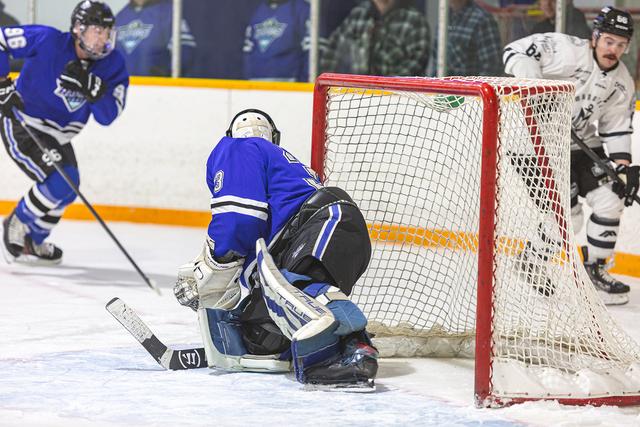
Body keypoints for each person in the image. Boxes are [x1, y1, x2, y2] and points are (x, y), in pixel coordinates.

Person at [172, 109, 378, 389]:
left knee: (297, 288)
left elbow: (238, 220)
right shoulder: (282, 168)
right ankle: (333, 348)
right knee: (261, 334)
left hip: (322, 223)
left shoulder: (238, 148)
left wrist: (215, 263)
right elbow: (258, 235)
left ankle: (354, 348)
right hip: (331, 228)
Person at [503, 6, 637, 305]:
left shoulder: (622, 81)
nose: (613, 50)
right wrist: (535, 87)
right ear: (595, 37)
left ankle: (596, 270)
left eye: (620, 44)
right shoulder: (566, 50)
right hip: (533, 145)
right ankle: (531, 260)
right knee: (567, 218)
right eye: (609, 41)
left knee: (611, 198)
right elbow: (514, 51)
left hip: (579, 144)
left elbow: (616, 127)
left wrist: (623, 167)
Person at [0, 0, 129, 265]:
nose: (103, 38)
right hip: (24, 123)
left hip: (59, 136)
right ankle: (17, 221)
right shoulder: (48, 40)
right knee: (62, 182)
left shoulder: (113, 64)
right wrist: (2, 82)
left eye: (107, 32)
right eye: (97, 30)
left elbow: (107, 117)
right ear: (78, 29)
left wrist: (95, 92)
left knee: (69, 190)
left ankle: (33, 240)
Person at [320, 0, 430, 77]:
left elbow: (415, 65)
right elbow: (331, 53)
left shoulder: (415, 21)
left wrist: (385, 87)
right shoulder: (358, 15)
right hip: (357, 94)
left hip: (398, 98)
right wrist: (330, 84)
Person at [115, 0, 196, 76]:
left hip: (156, 85)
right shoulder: (120, 17)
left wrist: (166, 72)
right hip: (126, 84)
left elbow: (185, 53)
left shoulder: (169, 13)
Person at [429, 0, 502, 77]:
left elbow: (492, 67)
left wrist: (474, 85)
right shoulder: (444, 16)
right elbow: (436, 62)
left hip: (468, 84)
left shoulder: (482, 19)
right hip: (441, 83)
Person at [243, 0, 310, 82]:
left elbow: (312, 53)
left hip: (289, 84)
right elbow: (248, 51)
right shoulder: (255, 9)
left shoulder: (302, 9)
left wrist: (302, 83)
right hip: (256, 83)